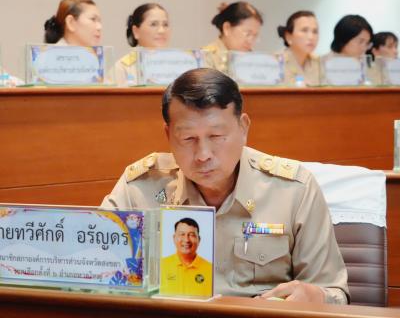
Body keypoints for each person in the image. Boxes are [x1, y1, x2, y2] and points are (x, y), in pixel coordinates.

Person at [101, 68, 349, 304]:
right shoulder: (138, 189)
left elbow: (334, 292)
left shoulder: (294, 190)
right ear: (168, 135)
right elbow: (97, 273)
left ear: (243, 128)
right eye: (188, 138)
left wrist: (315, 296)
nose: (203, 155)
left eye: (216, 136)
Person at [112, 3, 171, 86]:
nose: (162, 30)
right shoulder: (123, 67)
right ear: (136, 31)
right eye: (153, 24)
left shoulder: (179, 64)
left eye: (165, 25)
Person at [203, 2, 263, 73]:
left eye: (255, 36)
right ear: (227, 28)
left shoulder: (252, 60)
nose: (251, 41)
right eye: (248, 34)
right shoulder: (205, 57)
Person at [160, 217, 212, 297]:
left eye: (191, 235)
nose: (186, 240)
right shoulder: (161, 266)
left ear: (199, 239)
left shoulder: (210, 269)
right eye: (182, 234)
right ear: (174, 238)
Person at [277, 11, 320, 86]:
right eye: (304, 30)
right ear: (288, 36)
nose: (311, 37)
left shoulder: (320, 64)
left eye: (315, 31)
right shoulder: (275, 63)